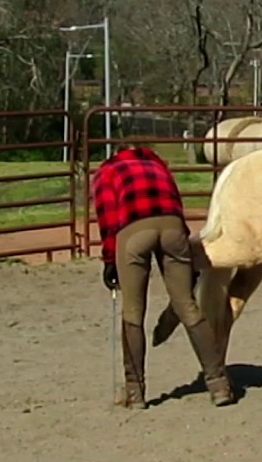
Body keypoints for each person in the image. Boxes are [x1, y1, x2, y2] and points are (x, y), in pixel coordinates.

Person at [90, 144, 235, 409]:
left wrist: (110, 260)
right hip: (172, 228)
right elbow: (176, 206)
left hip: (133, 231)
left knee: (133, 312)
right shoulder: (159, 166)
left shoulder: (107, 171)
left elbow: (108, 218)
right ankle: (219, 385)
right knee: (187, 306)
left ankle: (135, 392)